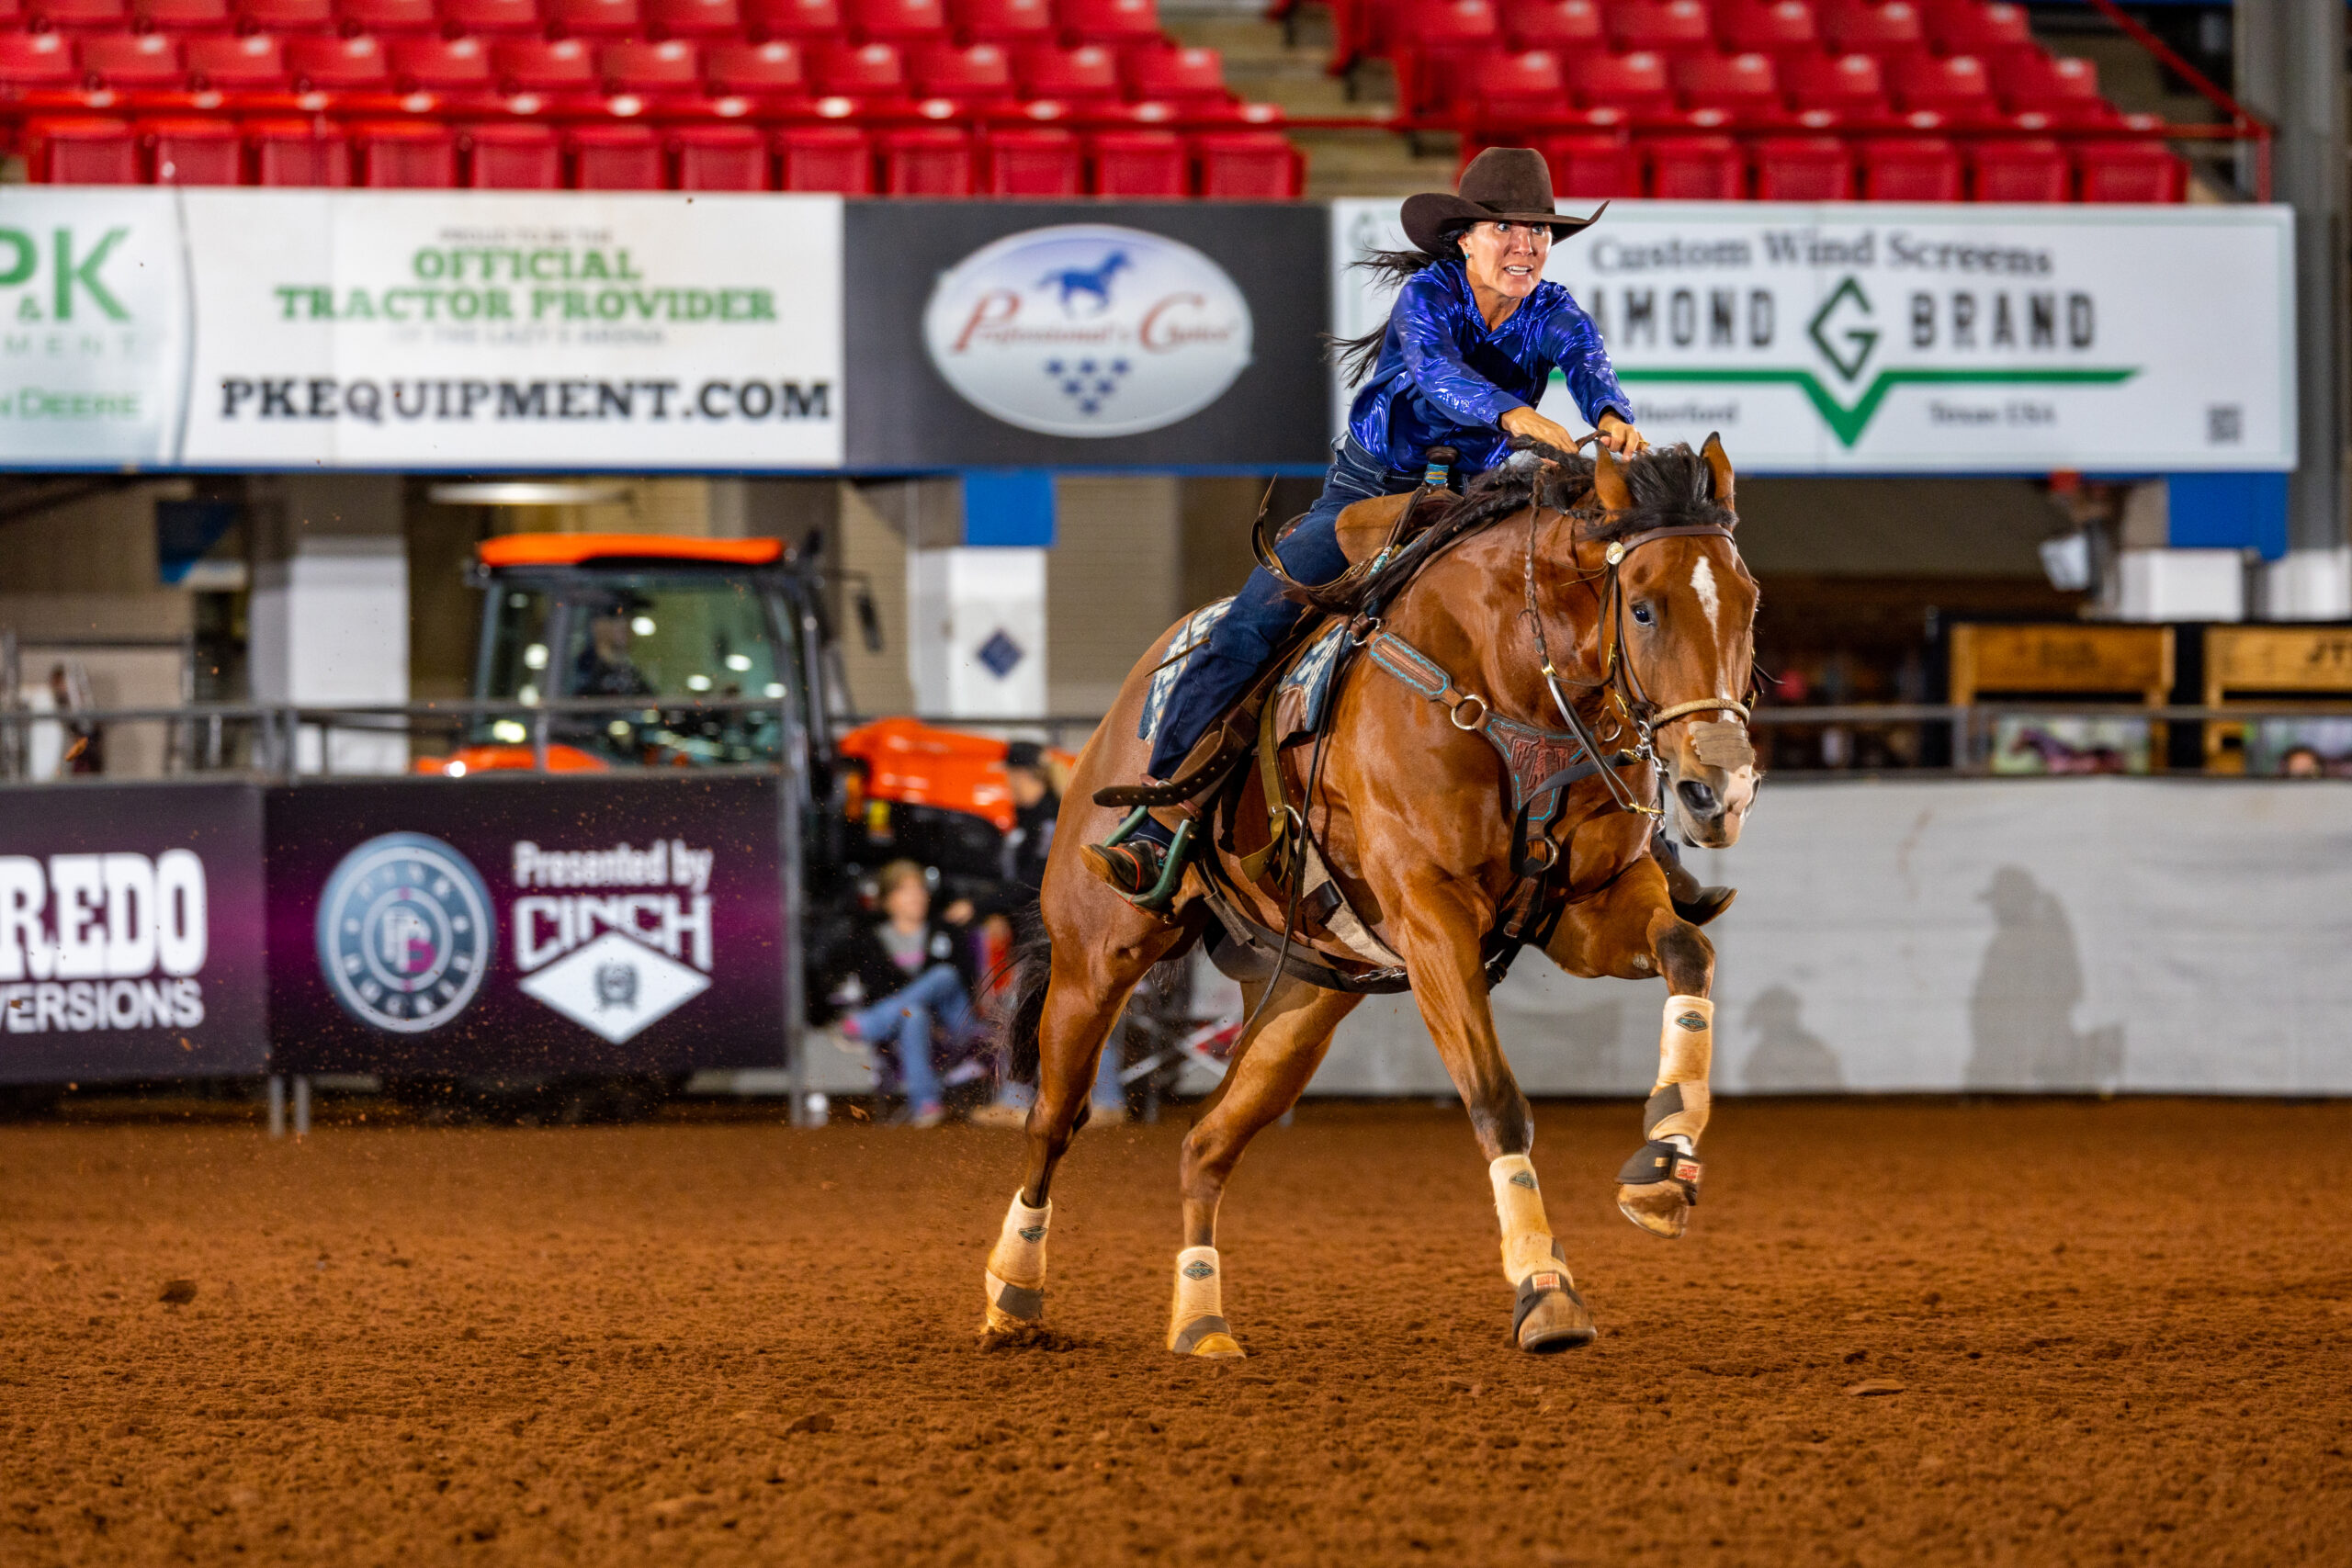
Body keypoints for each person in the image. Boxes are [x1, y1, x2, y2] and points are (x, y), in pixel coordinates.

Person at [1083, 146, 1727, 923]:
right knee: (1249, 627)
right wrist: (1514, 414)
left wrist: (1612, 415)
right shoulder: (1427, 297)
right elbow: (1434, 374)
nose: (1525, 246)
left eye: (1539, 233)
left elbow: (1588, 363)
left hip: (1473, 503)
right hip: (1368, 498)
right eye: (1507, 230)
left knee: (1582, 623)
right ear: (1465, 239)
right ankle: (1156, 823)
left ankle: (1643, 840)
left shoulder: (1554, 309)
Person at [969, 741, 1136, 1127]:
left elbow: (1034, 880)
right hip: (1038, 930)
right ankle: (1100, 1098)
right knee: (1068, 1007)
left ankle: (1038, 1097)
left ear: (1021, 774)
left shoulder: (1047, 819)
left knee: (1055, 1007)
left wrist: (983, 906)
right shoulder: (1031, 819)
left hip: (1052, 931)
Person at [825, 860, 981, 1128]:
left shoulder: (946, 930)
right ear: (887, 900)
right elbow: (875, 987)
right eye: (906, 889)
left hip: (954, 1021)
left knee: (944, 975)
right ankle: (926, 1104)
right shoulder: (872, 940)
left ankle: (865, 1024)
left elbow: (966, 980)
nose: (917, 895)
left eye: (920, 888)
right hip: (906, 1026)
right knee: (914, 1014)